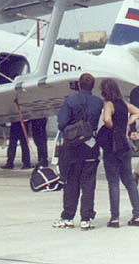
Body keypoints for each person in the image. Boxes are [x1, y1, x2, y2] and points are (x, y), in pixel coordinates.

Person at [53, 72, 103, 230]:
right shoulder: (98, 102)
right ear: (93, 86)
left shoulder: (71, 100)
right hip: (91, 148)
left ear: (79, 85)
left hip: (72, 148)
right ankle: (86, 219)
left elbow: (61, 123)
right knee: (88, 184)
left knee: (71, 182)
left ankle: (67, 217)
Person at [98, 79, 139, 228]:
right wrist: (127, 123)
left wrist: (112, 126)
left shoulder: (108, 105)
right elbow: (138, 112)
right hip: (124, 145)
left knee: (113, 182)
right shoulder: (124, 104)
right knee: (129, 181)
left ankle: (115, 218)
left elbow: (106, 119)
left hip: (112, 146)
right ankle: (137, 215)